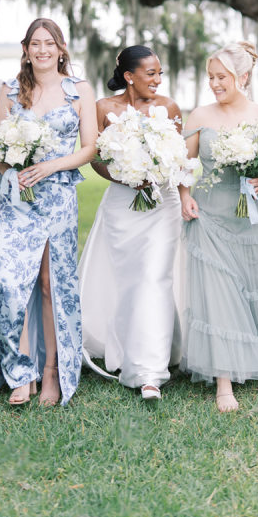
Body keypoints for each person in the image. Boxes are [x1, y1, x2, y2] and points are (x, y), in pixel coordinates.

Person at [179, 41, 258, 413]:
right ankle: (223, 382)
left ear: (243, 76)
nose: (215, 84)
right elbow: (182, 165)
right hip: (211, 213)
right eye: (211, 77)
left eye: (222, 77)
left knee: (254, 290)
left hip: (255, 215)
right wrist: (185, 194)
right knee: (219, 293)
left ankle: (249, 357)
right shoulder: (199, 116)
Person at [0, 18, 97, 406]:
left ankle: (51, 372)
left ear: (61, 48)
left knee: (51, 286)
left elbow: (89, 149)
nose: (42, 50)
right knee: (12, 283)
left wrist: (49, 166)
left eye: (49, 43)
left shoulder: (79, 90)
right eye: (35, 43)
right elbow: (0, 145)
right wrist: (12, 170)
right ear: (26, 48)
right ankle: (21, 371)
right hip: (17, 199)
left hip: (58, 196)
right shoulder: (10, 91)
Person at [79, 45, 182, 401]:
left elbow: (180, 157)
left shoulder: (168, 108)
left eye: (159, 73)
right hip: (123, 204)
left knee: (155, 277)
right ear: (129, 76)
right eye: (150, 73)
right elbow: (94, 158)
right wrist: (125, 176)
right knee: (129, 282)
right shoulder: (104, 109)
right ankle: (124, 351)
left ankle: (151, 372)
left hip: (162, 202)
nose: (157, 79)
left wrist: (170, 183)